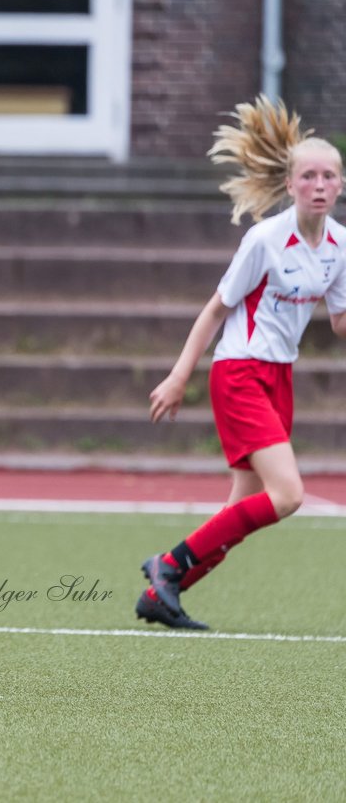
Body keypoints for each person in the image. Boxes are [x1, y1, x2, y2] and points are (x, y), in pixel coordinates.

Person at [141, 95, 346, 629]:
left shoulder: (341, 246)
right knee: (289, 495)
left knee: (242, 509)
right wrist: (178, 376)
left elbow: (341, 323)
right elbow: (215, 310)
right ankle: (170, 564)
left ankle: (163, 593)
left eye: (329, 176)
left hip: (281, 377)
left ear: (341, 185)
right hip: (239, 373)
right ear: (290, 185)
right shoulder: (265, 240)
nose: (319, 185)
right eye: (309, 177)